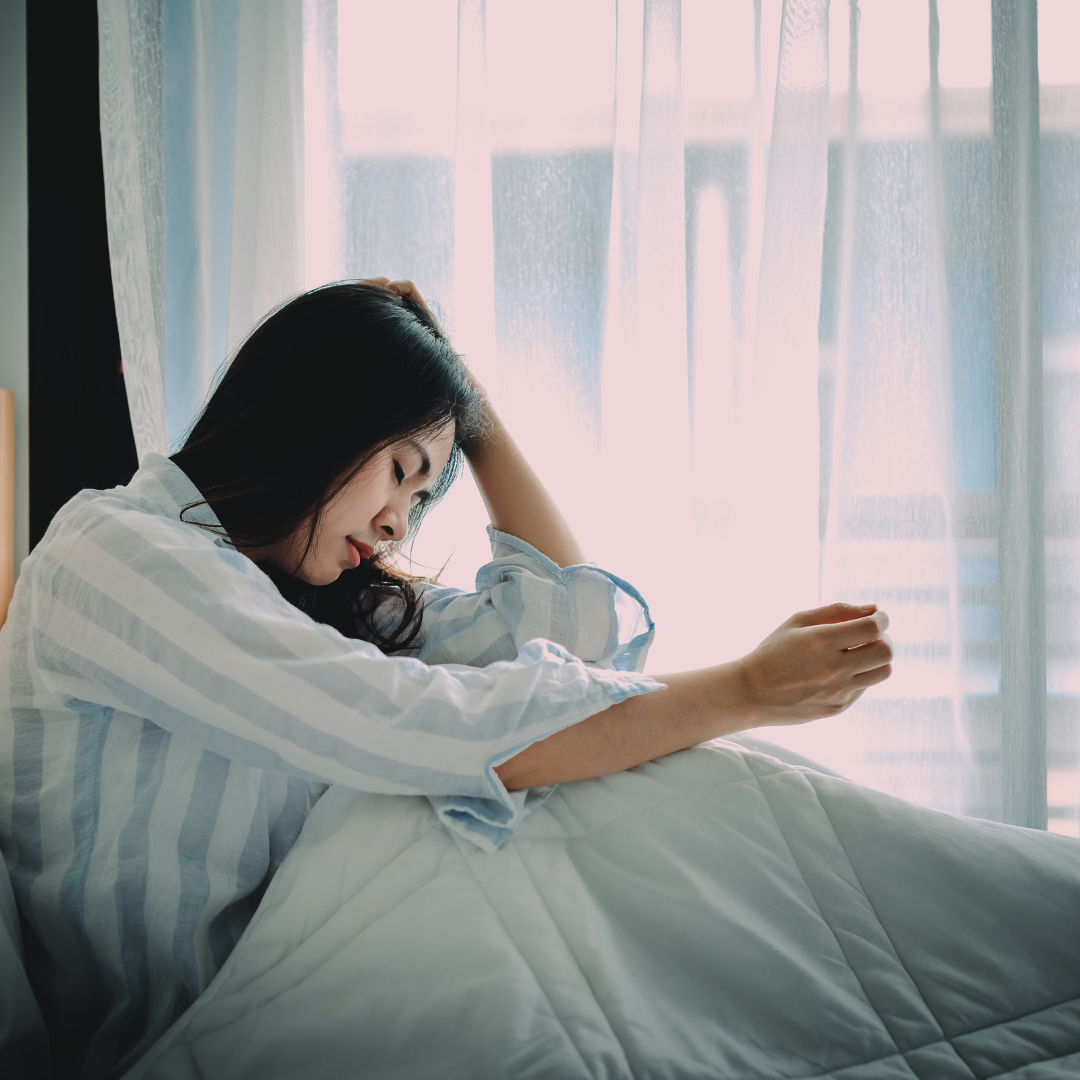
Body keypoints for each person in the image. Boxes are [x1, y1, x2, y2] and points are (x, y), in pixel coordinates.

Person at [0, 279, 892, 1079]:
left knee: (675, 793)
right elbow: (410, 727)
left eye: (423, 500)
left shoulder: (311, 599)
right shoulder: (113, 553)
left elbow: (571, 636)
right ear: (319, 410)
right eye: (400, 472)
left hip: (295, 1008)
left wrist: (472, 411)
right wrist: (744, 693)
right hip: (162, 1046)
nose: (397, 523)